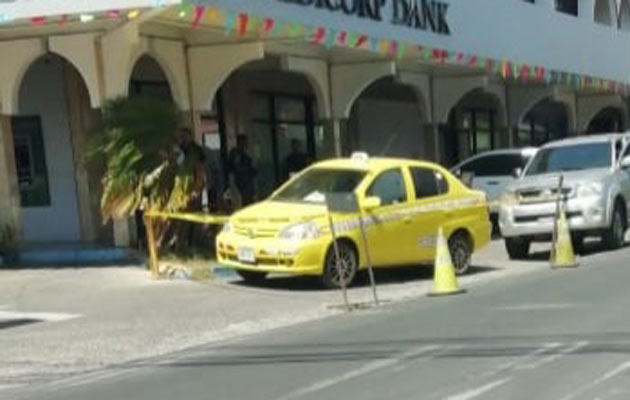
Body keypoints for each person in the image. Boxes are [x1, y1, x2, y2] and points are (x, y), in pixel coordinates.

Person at [228, 134, 257, 207]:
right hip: (241, 181)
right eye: (244, 142)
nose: (245, 144)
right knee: (244, 200)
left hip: (247, 181)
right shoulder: (236, 153)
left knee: (249, 200)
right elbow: (236, 167)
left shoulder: (245, 155)